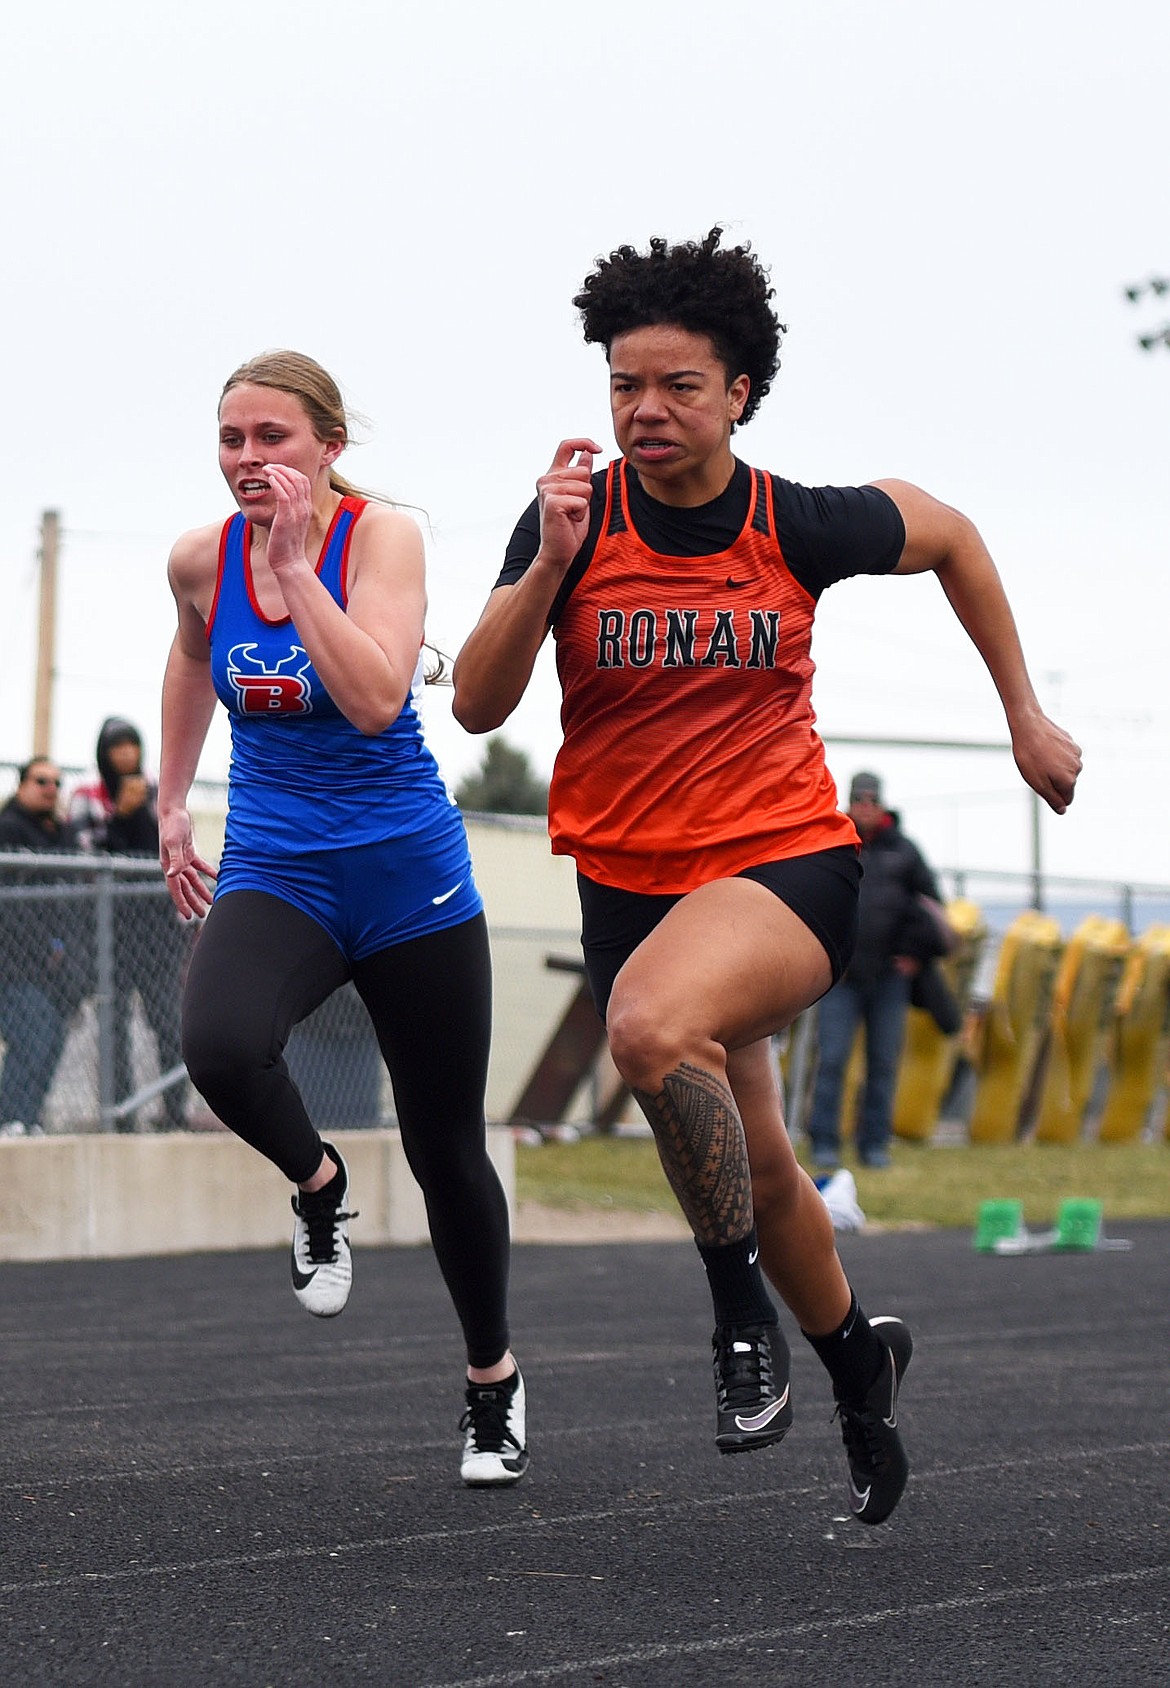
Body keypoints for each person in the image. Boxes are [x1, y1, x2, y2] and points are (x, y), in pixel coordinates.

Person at [452, 229, 1081, 1524]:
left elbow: (952, 534)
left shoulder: (792, 519)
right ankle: (858, 1364)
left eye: (676, 385)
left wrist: (1020, 713)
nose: (644, 411)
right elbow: (473, 703)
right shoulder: (570, 522)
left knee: (644, 1025)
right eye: (624, 385)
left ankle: (738, 1318)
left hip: (784, 864)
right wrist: (550, 566)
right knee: (766, 1163)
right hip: (631, 884)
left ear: (738, 390)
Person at [158, 351, 527, 1486]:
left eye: (272, 437)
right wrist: (173, 802)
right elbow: (187, 653)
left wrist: (294, 568)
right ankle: (319, 1186)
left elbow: (374, 699)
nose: (248, 460)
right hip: (279, 863)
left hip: (405, 872)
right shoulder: (196, 558)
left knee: (446, 1148)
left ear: (328, 446)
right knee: (218, 1045)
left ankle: (491, 1380)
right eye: (232, 438)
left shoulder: (383, 540)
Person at [806, 770, 955, 1170]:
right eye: (859, 800)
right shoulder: (835, 844)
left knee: (883, 1064)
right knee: (832, 1059)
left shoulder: (904, 852)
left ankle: (873, 1146)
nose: (865, 807)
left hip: (890, 979)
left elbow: (931, 908)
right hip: (841, 976)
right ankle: (823, 1141)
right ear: (850, 803)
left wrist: (913, 956)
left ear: (881, 804)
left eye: (872, 800)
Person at [69, 718, 189, 1131]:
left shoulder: (158, 792)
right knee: (114, 1026)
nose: (126, 755)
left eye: (131, 746)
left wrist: (138, 813)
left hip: (155, 929)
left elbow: (162, 852)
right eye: (117, 747)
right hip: (110, 931)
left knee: (168, 1022)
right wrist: (120, 813)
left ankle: (174, 1112)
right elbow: (90, 859)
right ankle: (120, 1115)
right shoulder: (86, 796)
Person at [0, 759, 89, 1131]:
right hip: (14, 964)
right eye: (41, 781)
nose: (50, 788)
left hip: (54, 967)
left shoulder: (59, 833)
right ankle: (11, 1117)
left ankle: (28, 1117)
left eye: (56, 782)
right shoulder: (9, 829)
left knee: (49, 1041)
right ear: (21, 785)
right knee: (31, 1036)